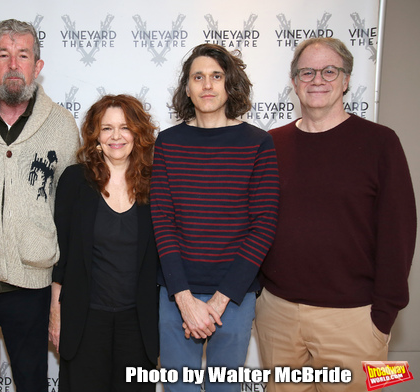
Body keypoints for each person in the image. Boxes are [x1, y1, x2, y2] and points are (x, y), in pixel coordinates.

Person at [255, 37, 416, 392]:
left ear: (346, 80)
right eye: (307, 72)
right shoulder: (271, 144)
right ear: (294, 81)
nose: (317, 80)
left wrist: (383, 317)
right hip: (278, 315)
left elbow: (398, 232)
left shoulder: (380, 143)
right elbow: (254, 224)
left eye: (330, 71)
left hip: (353, 319)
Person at [0, 19, 80, 392]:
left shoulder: (61, 124)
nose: (12, 65)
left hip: (32, 282)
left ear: (37, 66)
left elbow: (71, 207)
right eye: (3, 55)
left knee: (32, 382)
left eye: (22, 55)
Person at [150, 43, 279, 392]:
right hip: (175, 294)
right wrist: (184, 299)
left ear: (229, 84)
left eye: (216, 76)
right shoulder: (167, 143)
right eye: (198, 77)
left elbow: (264, 223)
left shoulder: (258, 143)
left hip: (235, 295)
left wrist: (221, 300)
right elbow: (162, 220)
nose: (207, 85)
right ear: (187, 88)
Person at [48, 95, 159, 392]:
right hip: (85, 320)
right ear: (95, 135)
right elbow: (62, 254)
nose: (116, 136)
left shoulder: (156, 182)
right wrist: (56, 316)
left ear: (137, 133)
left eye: (125, 127)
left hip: (138, 323)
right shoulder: (75, 180)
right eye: (106, 128)